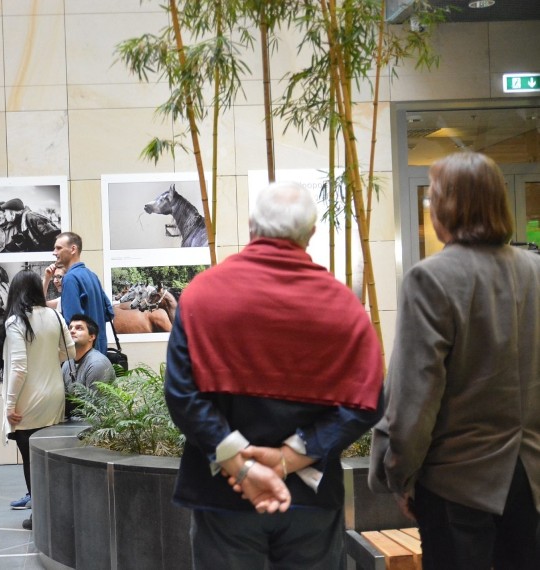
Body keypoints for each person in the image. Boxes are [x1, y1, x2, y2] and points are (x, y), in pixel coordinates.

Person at [164, 181, 384, 569]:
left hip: (222, 497)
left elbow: (182, 394)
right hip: (310, 502)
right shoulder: (342, 306)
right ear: (311, 233)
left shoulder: (202, 294)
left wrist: (242, 466)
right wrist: (288, 458)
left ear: (251, 226)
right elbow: (368, 401)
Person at [369, 151, 540, 570]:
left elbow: (415, 398)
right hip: (533, 482)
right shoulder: (536, 271)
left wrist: (401, 477)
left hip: (457, 486)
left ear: (446, 207)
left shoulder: (431, 279)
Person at [0, 269, 75, 529]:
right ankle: (55, 513)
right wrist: (46, 362)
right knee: (49, 459)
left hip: (28, 402)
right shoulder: (55, 315)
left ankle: (40, 516)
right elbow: (70, 352)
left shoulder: (16, 321)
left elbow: (19, 367)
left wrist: (9, 405)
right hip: (54, 397)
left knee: (31, 461)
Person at [53, 232, 114, 352]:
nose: (54, 252)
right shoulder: (93, 276)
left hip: (83, 355)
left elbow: (72, 324)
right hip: (100, 351)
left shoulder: (70, 278)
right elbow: (109, 313)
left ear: (73, 249)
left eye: (59, 248)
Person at [62, 314, 115, 394]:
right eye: (70, 328)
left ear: (91, 337)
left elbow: (96, 404)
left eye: (79, 328)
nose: (72, 331)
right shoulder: (67, 362)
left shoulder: (97, 363)